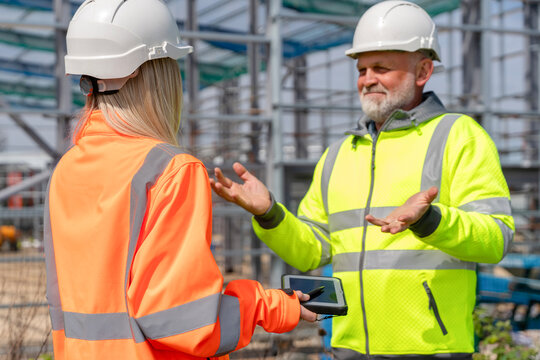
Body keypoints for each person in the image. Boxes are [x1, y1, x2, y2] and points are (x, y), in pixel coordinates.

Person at [210, 1, 515, 359]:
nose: (367, 79)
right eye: (362, 68)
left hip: (433, 349)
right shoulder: (339, 153)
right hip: (347, 348)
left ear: (423, 70)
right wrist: (270, 214)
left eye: (381, 68)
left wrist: (431, 221)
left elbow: (496, 237)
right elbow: (312, 250)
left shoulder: (459, 136)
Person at [43, 0, 316, 359]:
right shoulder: (170, 170)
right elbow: (183, 323)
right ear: (153, 74)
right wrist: (270, 305)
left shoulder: (67, 169)